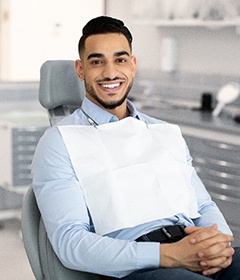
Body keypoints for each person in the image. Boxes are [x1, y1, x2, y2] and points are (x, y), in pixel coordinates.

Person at [32, 16, 240, 280]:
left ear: (133, 65)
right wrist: (169, 256)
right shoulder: (59, 141)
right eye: (97, 62)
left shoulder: (164, 131)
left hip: (194, 251)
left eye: (120, 59)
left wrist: (218, 243)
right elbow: (70, 243)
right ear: (80, 69)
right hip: (141, 267)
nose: (109, 73)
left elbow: (203, 205)